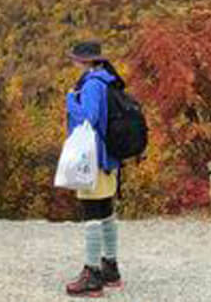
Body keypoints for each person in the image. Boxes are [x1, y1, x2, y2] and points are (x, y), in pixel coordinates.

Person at [63, 41, 124, 297]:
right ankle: (111, 268)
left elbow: (88, 117)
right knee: (106, 211)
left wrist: (69, 100)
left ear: (85, 61)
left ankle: (92, 275)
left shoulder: (91, 84)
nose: (73, 61)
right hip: (109, 158)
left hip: (93, 158)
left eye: (76, 58)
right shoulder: (108, 81)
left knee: (91, 214)